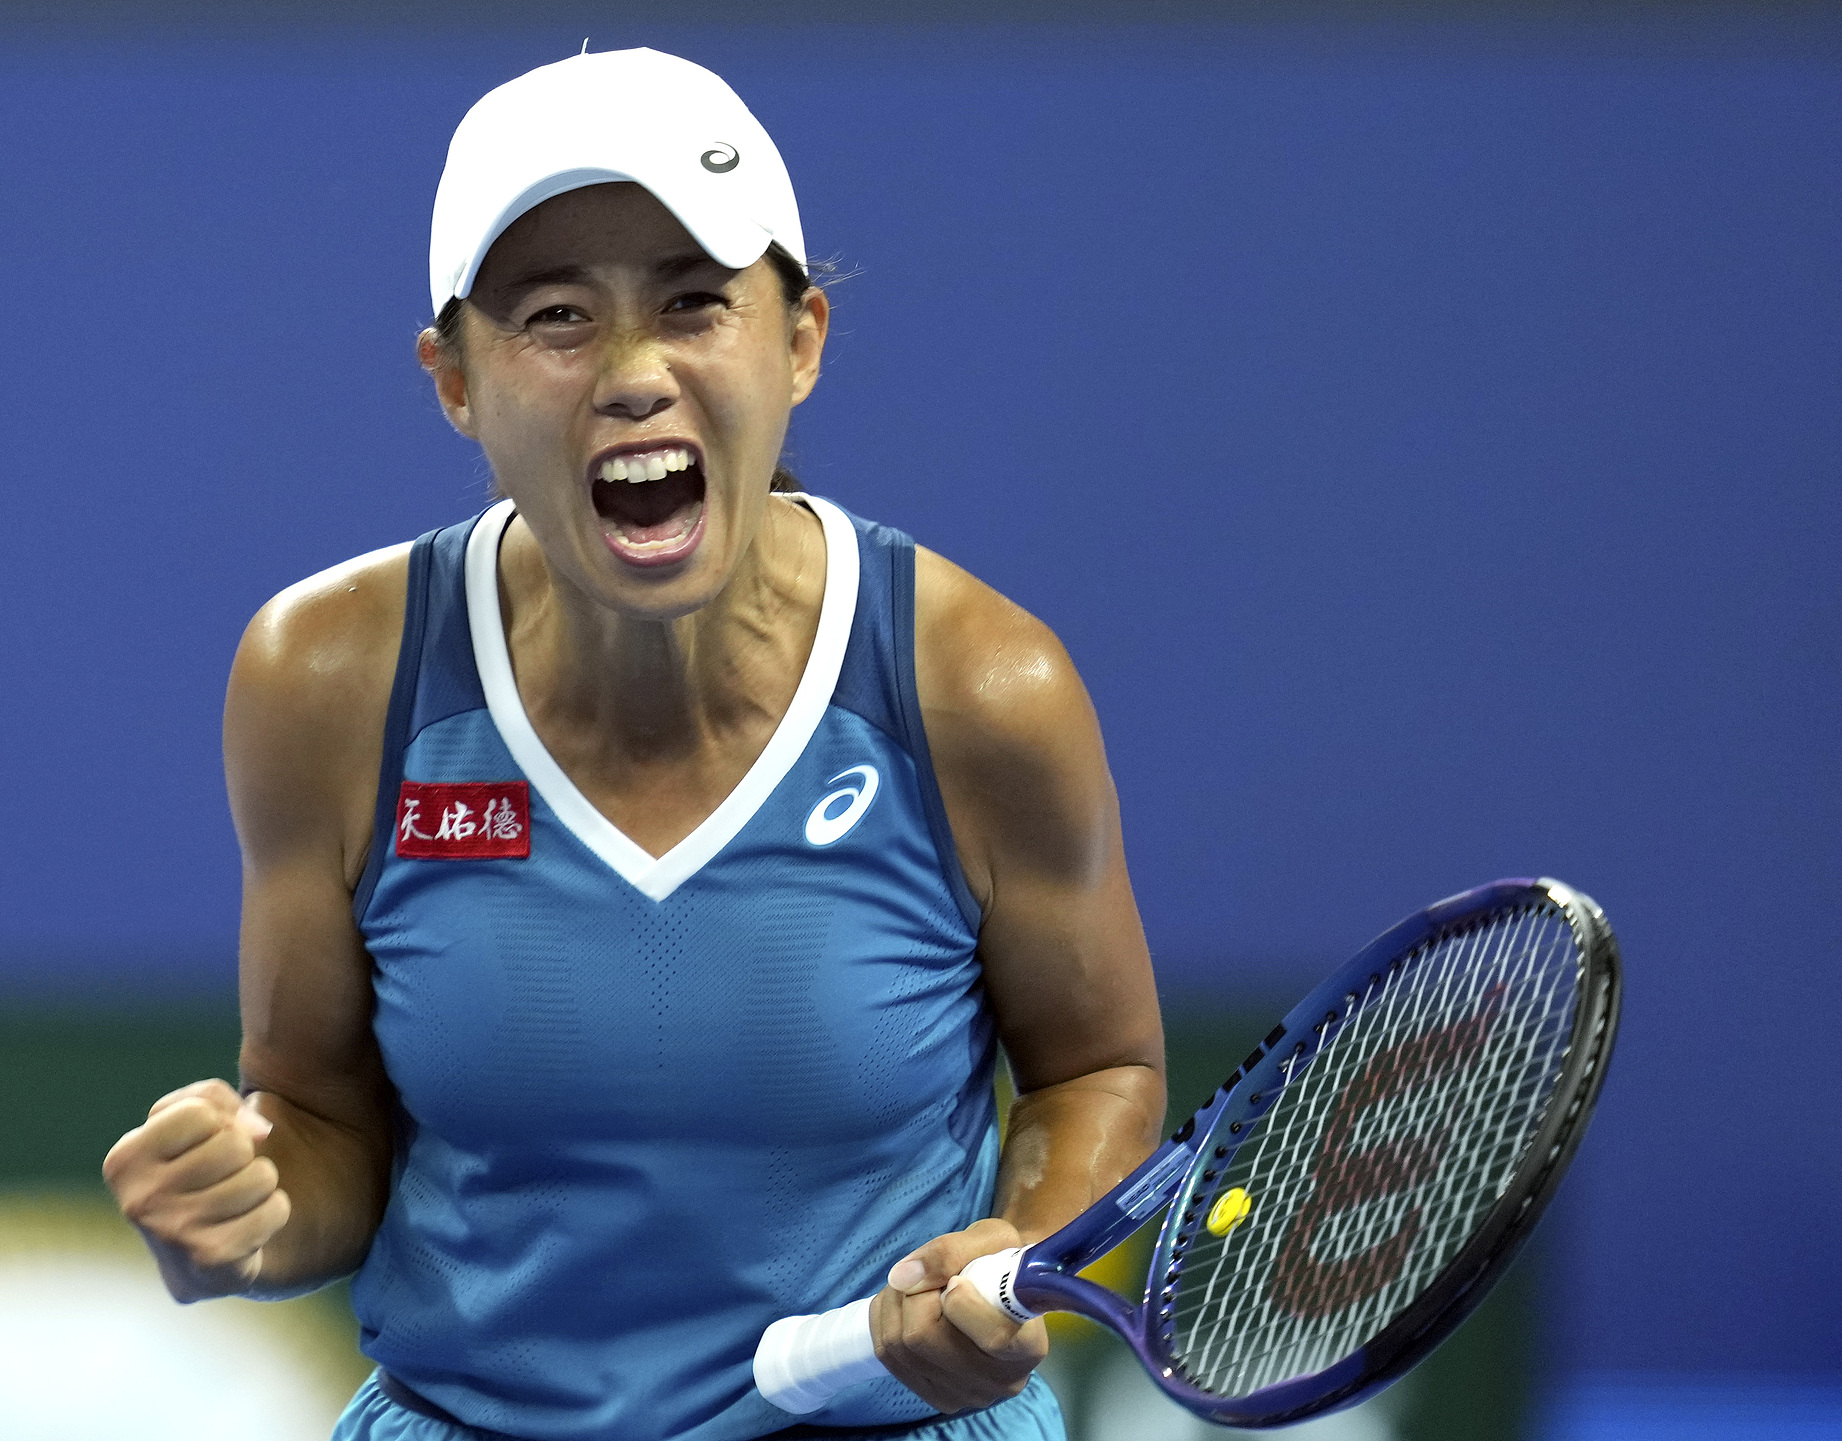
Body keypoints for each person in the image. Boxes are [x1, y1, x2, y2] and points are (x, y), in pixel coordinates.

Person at [102, 47, 1163, 1441]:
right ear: (454, 382)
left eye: (694, 304)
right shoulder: (328, 682)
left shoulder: (981, 685)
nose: (632, 375)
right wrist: (245, 1203)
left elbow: (1098, 1070)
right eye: (555, 317)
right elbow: (322, 1124)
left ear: (801, 341)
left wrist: (1016, 1249)